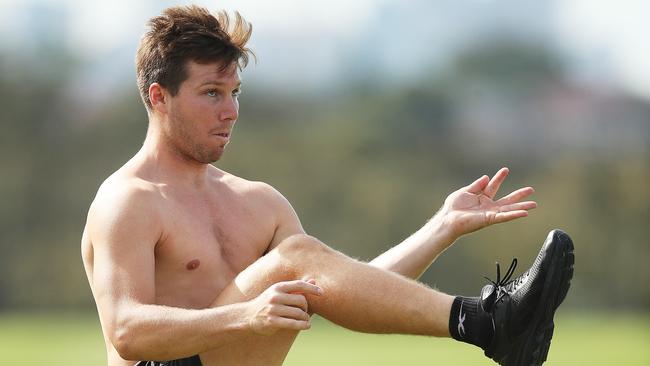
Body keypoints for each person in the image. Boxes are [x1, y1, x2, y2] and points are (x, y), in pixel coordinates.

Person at [81, 5, 574, 366]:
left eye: (234, 93)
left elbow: (346, 293)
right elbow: (126, 331)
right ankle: (490, 321)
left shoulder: (258, 201)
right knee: (296, 256)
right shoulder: (128, 201)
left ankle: (485, 322)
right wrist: (247, 316)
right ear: (159, 97)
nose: (230, 110)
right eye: (211, 93)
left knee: (301, 258)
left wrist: (441, 228)